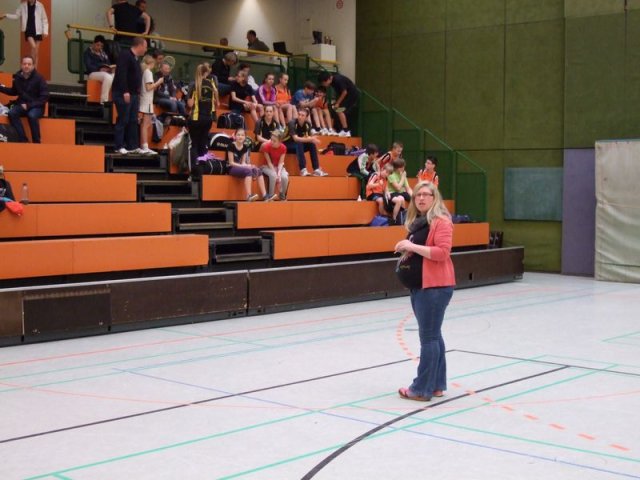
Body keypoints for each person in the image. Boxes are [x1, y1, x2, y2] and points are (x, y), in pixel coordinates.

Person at [394, 181, 455, 402]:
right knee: (434, 336)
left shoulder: (442, 221)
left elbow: (442, 253)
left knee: (428, 338)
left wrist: (411, 247)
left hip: (434, 288)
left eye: (426, 194)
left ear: (434, 197)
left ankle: (421, 389)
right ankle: (436, 384)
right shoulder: (420, 223)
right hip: (421, 286)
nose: (420, 198)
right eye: (417, 195)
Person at [0, 55, 48, 144]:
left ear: (33, 66)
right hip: (22, 105)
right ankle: (23, 140)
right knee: (12, 113)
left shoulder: (40, 78)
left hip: (37, 106)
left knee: (32, 115)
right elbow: (14, 91)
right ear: (21, 65)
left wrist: (29, 105)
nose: (26, 66)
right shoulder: (17, 77)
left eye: (29, 64)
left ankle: (36, 142)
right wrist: (1, 88)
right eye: (24, 64)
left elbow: (44, 98)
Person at [112, 36, 147, 155]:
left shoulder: (135, 58)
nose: (146, 49)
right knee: (123, 119)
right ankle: (119, 145)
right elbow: (121, 73)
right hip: (123, 93)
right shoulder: (125, 55)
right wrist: (125, 91)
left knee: (133, 120)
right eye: (145, 47)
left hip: (134, 94)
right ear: (140, 45)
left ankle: (132, 146)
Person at [186, 63, 217, 173]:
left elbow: (190, 104)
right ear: (206, 72)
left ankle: (193, 171)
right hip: (208, 119)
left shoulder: (194, 84)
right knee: (203, 143)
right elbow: (215, 102)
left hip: (196, 118)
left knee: (194, 144)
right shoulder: (211, 84)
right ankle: (203, 170)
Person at [0, 0, 49, 69]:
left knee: (36, 52)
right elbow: (16, 16)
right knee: (34, 47)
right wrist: (6, 15)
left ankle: (34, 69)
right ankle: (31, 68)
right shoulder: (22, 6)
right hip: (28, 30)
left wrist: (45, 31)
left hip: (38, 30)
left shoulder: (40, 5)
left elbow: (44, 19)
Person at [226, 128, 268, 202]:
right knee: (248, 171)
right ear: (235, 136)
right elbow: (231, 163)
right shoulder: (231, 146)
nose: (240, 137)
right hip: (231, 168)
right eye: (238, 135)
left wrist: (250, 166)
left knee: (258, 170)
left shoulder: (245, 147)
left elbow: (243, 162)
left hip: (240, 167)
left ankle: (265, 195)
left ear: (245, 137)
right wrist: (245, 166)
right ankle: (248, 196)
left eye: (242, 135)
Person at [283, 108, 328, 177]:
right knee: (299, 142)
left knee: (311, 144)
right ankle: (303, 169)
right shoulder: (292, 123)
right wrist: (311, 139)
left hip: (297, 146)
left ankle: (316, 169)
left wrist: (312, 140)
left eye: (302, 115)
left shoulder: (307, 124)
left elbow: (307, 137)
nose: (300, 117)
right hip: (286, 145)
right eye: (299, 114)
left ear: (306, 117)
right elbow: (295, 139)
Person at [318, 71, 359, 137]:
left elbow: (344, 92)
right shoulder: (332, 82)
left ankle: (346, 131)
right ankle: (342, 130)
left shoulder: (338, 80)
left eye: (324, 83)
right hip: (346, 95)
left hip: (351, 95)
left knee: (339, 110)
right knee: (337, 110)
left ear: (328, 79)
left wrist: (337, 103)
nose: (324, 85)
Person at [138, 54, 161, 155]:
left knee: (145, 124)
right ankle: (145, 146)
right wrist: (158, 82)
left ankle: (144, 145)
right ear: (151, 63)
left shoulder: (145, 72)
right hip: (147, 101)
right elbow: (149, 87)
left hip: (146, 100)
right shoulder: (148, 72)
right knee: (145, 124)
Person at [83, 35, 114, 104]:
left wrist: (109, 68)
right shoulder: (88, 53)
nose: (99, 47)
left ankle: (114, 100)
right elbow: (89, 66)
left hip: (104, 73)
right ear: (93, 43)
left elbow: (108, 64)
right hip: (93, 73)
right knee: (107, 77)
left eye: (101, 46)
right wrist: (99, 69)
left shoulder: (103, 54)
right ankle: (104, 101)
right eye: (98, 45)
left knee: (115, 76)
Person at [260, 130, 288, 201]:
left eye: (274, 141)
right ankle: (271, 195)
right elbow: (269, 162)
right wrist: (276, 174)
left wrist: (279, 174)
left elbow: (281, 163)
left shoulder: (283, 148)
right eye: (271, 139)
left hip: (278, 167)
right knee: (273, 175)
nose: (271, 142)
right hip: (266, 166)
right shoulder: (266, 146)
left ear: (280, 142)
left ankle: (282, 195)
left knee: (284, 177)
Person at [388, 157, 413, 224]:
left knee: (414, 200)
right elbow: (398, 188)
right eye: (402, 167)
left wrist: (414, 196)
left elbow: (408, 188)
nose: (403, 168)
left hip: (402, 192)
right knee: (401, 199)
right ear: (397, 168)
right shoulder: (391, 175)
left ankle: (411, 217)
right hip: (393, 193)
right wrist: (403, 177)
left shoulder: (402, 174)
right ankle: (396, 219)